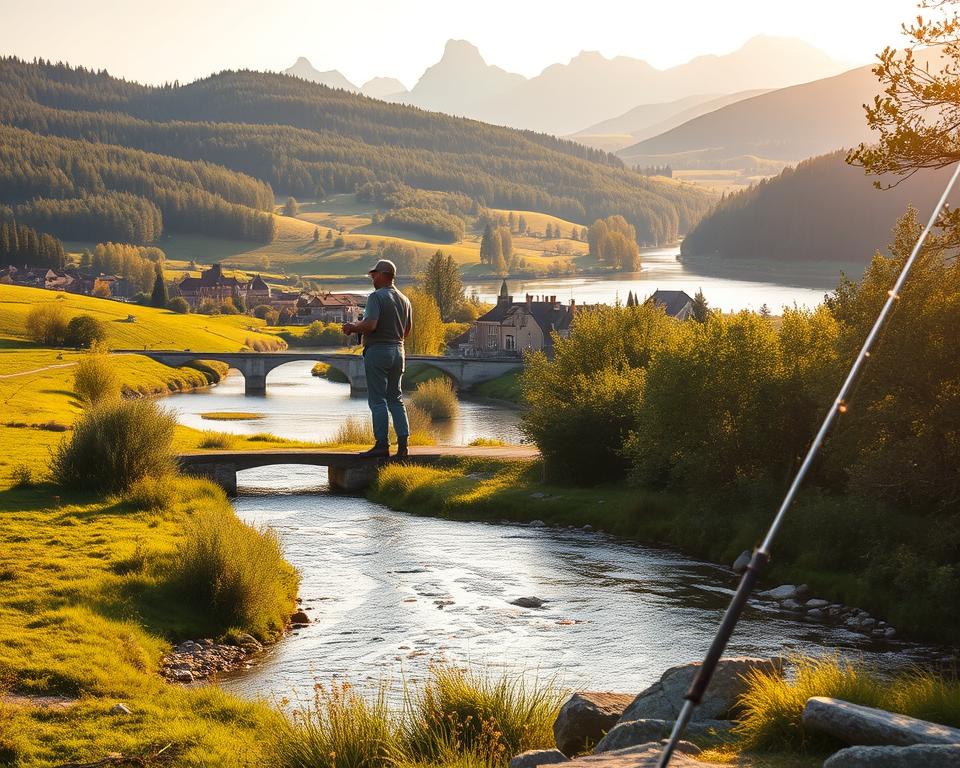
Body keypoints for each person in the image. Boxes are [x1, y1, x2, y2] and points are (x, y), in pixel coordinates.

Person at [341, 259, 412, 458]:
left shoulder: (376, 297)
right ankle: (403, 447)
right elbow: (406, 331)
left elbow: (371, 324)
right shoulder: (405, 299)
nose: (372, 278)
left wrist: (352, 327)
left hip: (378, 351)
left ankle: (382, 445)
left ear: (382, 275)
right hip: (399, 351)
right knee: (396, 398)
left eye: (374, 274)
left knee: (378, 399)